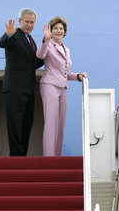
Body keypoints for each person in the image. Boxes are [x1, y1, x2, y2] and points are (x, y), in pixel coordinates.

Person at [36, 16, 87, 156]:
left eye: (61, 29)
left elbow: (66, 73)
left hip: (62, 88)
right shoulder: (48, 45)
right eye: (56, 28)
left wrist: (77, 76)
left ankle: (57, 157)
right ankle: (49, 158)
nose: (59, 31)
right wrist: (45, 40)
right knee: (51, 123)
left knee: (60, 124)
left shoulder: (66, 49)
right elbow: (40, 55)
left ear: (65, 31)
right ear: (51, 31)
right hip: (50, 85)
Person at [0, 8, 44, 156]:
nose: (29, 25)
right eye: (27, 22)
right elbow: (3, 43)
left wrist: (48, 49)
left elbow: (33, 63)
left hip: (28, 90)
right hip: (15, 89)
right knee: (15, 126)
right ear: (20, 21)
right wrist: (8, 35)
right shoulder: (15, 34)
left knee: (26, 125)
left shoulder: (31, 40)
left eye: (32, 22)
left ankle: (22, 158)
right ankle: (16, 160)